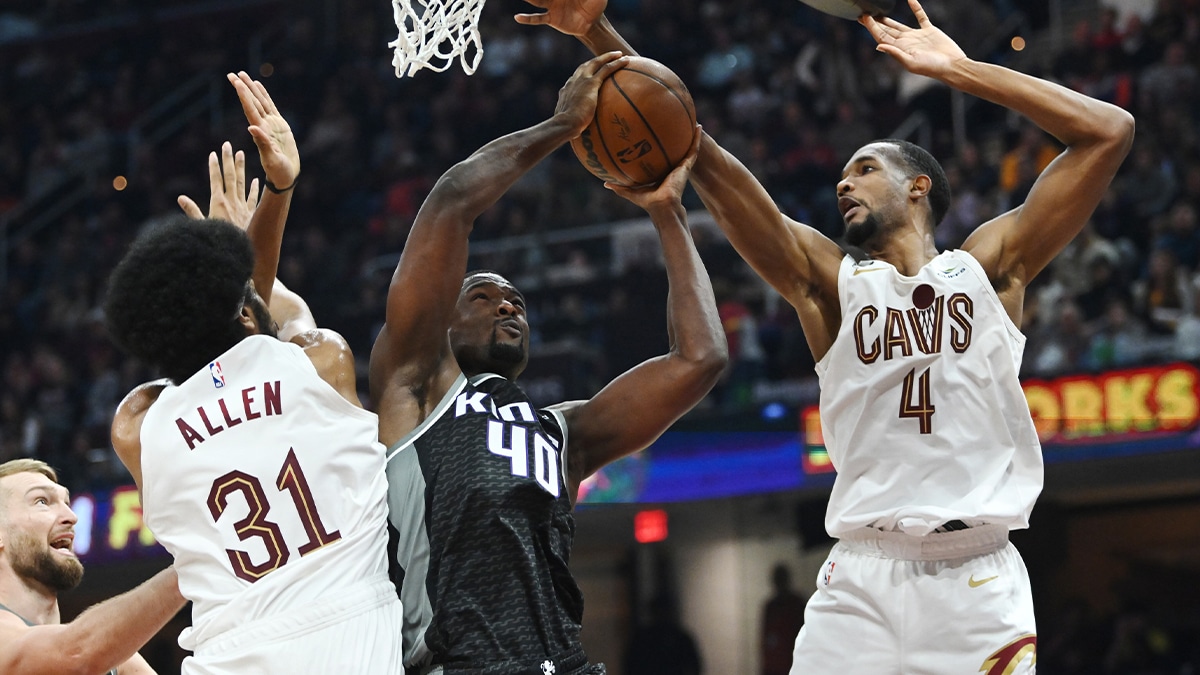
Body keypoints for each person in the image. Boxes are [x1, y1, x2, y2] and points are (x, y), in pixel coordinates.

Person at [518, 0, 1134, 672]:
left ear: (919, 186)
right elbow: (683, 134)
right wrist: (596, 35)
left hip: (978, 578)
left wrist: (960, 70)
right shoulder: (832, 285)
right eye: (843, 172)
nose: (844, 180)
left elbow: (1108, 131)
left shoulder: (989, 267)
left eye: (866, 167)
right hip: (862, 580)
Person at [375, 52, 726, 675]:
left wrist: (665, 211)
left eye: (517, 301)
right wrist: (563, 126)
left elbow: (699, 358)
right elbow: (453, 200)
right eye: (482, 296)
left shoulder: (561, 433)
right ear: (443, 321)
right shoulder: (416, 388)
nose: (508, 304)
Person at [105, 72, 403, 673]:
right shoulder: (321, 360)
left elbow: (225, 348)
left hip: (226, 657)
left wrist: (224, 259)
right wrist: (277, 194)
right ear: (242, 305)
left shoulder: (136, 426)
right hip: (352, 643)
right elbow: (273, 317)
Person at [0, 458, 186, 675]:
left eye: (67, 504)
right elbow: (75, 656)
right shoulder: (84, 652)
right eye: (42, 501)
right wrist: (190, 569)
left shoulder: (115, 660)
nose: (71, 517)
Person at [759, 564, 805, 675]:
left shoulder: (797, 604)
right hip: (777, 666)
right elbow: (766, 641)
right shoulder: (771, 607)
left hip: (791, 664)